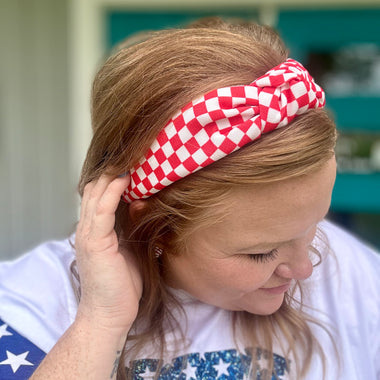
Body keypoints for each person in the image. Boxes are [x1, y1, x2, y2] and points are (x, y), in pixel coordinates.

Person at [0, 18, 379, 380]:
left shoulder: (352, 275)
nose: (305, 270)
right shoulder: (31, 306)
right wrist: (102, 320)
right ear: (154, 228)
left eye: (313, 225)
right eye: (261, 253)